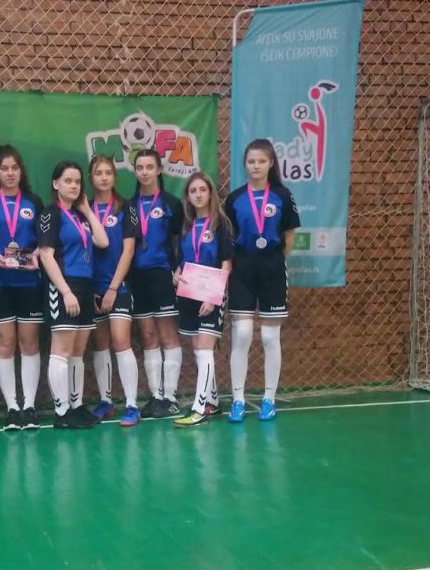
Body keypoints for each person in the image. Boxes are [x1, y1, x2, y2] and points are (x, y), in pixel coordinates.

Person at [223, 138, 301, 422]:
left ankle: (269, 398)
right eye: (251, 161)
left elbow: (289, 237)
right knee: (242, 334)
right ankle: (238, 400)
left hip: (272, 268)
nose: (255, 166)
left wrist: (274, 260)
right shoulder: (234, 199)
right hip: (242, 269)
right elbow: (228, 236)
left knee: (269, 336)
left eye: (261, 161)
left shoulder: (283, 195)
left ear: (270, 164)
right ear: (245, 164)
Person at [37, 160, 110, 429]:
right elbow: (46, 255)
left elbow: (102, 241)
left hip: (85, 285)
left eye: (78, 182)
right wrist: (65, 292)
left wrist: (88, 211)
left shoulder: (79, 217)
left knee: (78, 351)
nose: (74, 186)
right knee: (62, 350)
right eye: (68, 181)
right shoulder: (50, 214)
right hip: (64, 286)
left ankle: (76, 405)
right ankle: (61, 411)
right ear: (56, 184)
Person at [0, 145, 44, 431]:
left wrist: (36, 256)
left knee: (29, 343)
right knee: (4, 343)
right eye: (4, 168)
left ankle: (29, 407)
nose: (10, 173)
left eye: (14, 168)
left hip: (29, 283)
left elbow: (45, 240)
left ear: (21, 171)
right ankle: (12, 408)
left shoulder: (34, 201)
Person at [172, 172, 234, 427]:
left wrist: (214, 296)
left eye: (202, 190)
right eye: (193, 191)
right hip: (189, 292)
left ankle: (199, 410)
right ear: (188, 196)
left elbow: (227, 263)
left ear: (210, 193)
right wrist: (175, 274)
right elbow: (182, 259)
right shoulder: (185, 226)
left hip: (212, 293)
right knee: (198, 348)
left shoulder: (221, 224)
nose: (198, 195)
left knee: (205, 348)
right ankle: (213, 401)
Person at [127, 149, 185, 418]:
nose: (144, 172)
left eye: (150, 167)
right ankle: (156, 396)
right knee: (148, 336)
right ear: (135, 171)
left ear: (159, 170)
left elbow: (183, 241)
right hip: (137, 278)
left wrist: (178, 269)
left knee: (167, 336)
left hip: (164, 276)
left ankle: (170, 397)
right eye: (140, 167)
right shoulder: (129, 206)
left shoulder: (172, 204)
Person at [87, 155, 142, 427]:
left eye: (108, 172)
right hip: (91, 287)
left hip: (117, 286)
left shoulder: (126, 207)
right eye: (98, 173)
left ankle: (131, 404)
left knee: (121, 341)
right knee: (100, 344)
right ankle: (105, 401)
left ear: (115, 176)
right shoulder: (83, 209)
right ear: (91, 177)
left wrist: (112, 288)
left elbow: (128, 250)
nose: (104, 177)